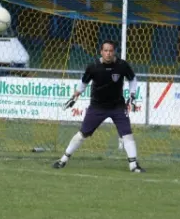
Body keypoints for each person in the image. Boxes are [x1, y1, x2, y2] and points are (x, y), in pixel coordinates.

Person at [52, 40, 145, 173]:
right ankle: (63, 160)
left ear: (114, 52)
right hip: (97, 107)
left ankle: (134, 166)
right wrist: (75, 95)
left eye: (111, 51)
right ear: (101, 52)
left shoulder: (122, 65)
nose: (108, 53)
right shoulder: (93, 66)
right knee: (82, 134)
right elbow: (84, 82)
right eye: (105, 51)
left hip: (117, 106)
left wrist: (132, 94)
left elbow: (132, 79)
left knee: (127, 134)